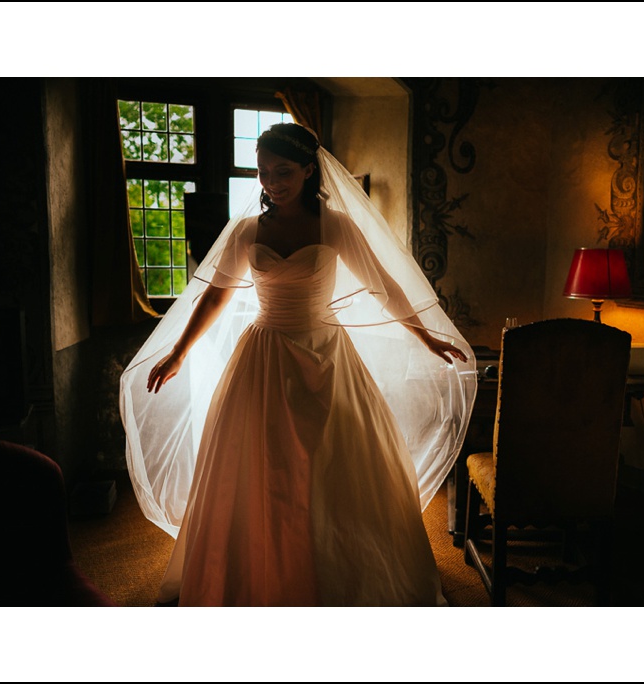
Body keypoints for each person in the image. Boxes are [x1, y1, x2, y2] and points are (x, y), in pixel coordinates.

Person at [120, 123, 477, 606]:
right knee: (261, 467)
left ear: (310, 170)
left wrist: (426, 335)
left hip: (326, 357)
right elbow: (215, 295)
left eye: (283, 171)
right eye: (263, 173)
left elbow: (383, 286)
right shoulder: (249, 231)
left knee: (332, 464)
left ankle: (336, 571)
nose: (271, 182)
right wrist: (179, 351)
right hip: (263, 358)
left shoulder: (336, 225)